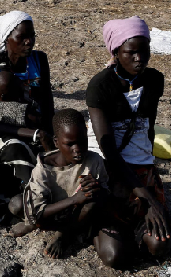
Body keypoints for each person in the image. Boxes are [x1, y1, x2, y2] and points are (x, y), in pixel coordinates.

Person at [86, 16, 171, 268]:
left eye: (144, 50)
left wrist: (150, 174)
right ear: (115, 52)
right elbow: (109, 150)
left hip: (140, 167)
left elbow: (149, 129)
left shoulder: (154, 80)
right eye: (131, 52)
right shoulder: (100, 86)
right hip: (109, 166)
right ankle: (93, 229)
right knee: (116, 257)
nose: (139, 58)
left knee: (160, 246)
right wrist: (147, 196)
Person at [0, 11, 54, 198]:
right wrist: (34, 135)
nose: (29, 41)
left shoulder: (39, 60)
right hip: (1, 133)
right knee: (16, 148)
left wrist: (50, 134)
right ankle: (34, 200)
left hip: (36, 127)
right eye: (22, 37)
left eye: (32, 36)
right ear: (6, 39)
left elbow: (48, 105)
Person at [10, 109, 109, 260]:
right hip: (52, 210)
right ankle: (34, 225)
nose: (78, 150)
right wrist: (75, 199)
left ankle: (64, 235)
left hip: (76, 215)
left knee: (92, 202)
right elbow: (37, 213)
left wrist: (96, 187)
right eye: (70, 144)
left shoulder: (93, 161)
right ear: (56, 142)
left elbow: (105, 194)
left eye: (82, 141)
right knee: (16, 204)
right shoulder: (43, 169)